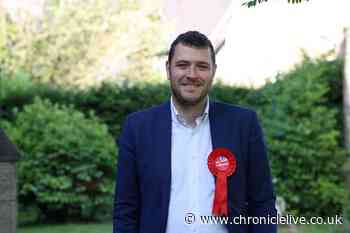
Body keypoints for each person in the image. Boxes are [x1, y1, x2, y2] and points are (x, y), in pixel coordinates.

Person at [113, 31, 277, 233]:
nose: (192, 74)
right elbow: (125, 209)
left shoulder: (243, 124)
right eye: (183, 65)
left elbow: (262, 202)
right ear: (168, 69)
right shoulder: (137, 127)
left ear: (213, 71)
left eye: (202, 66)